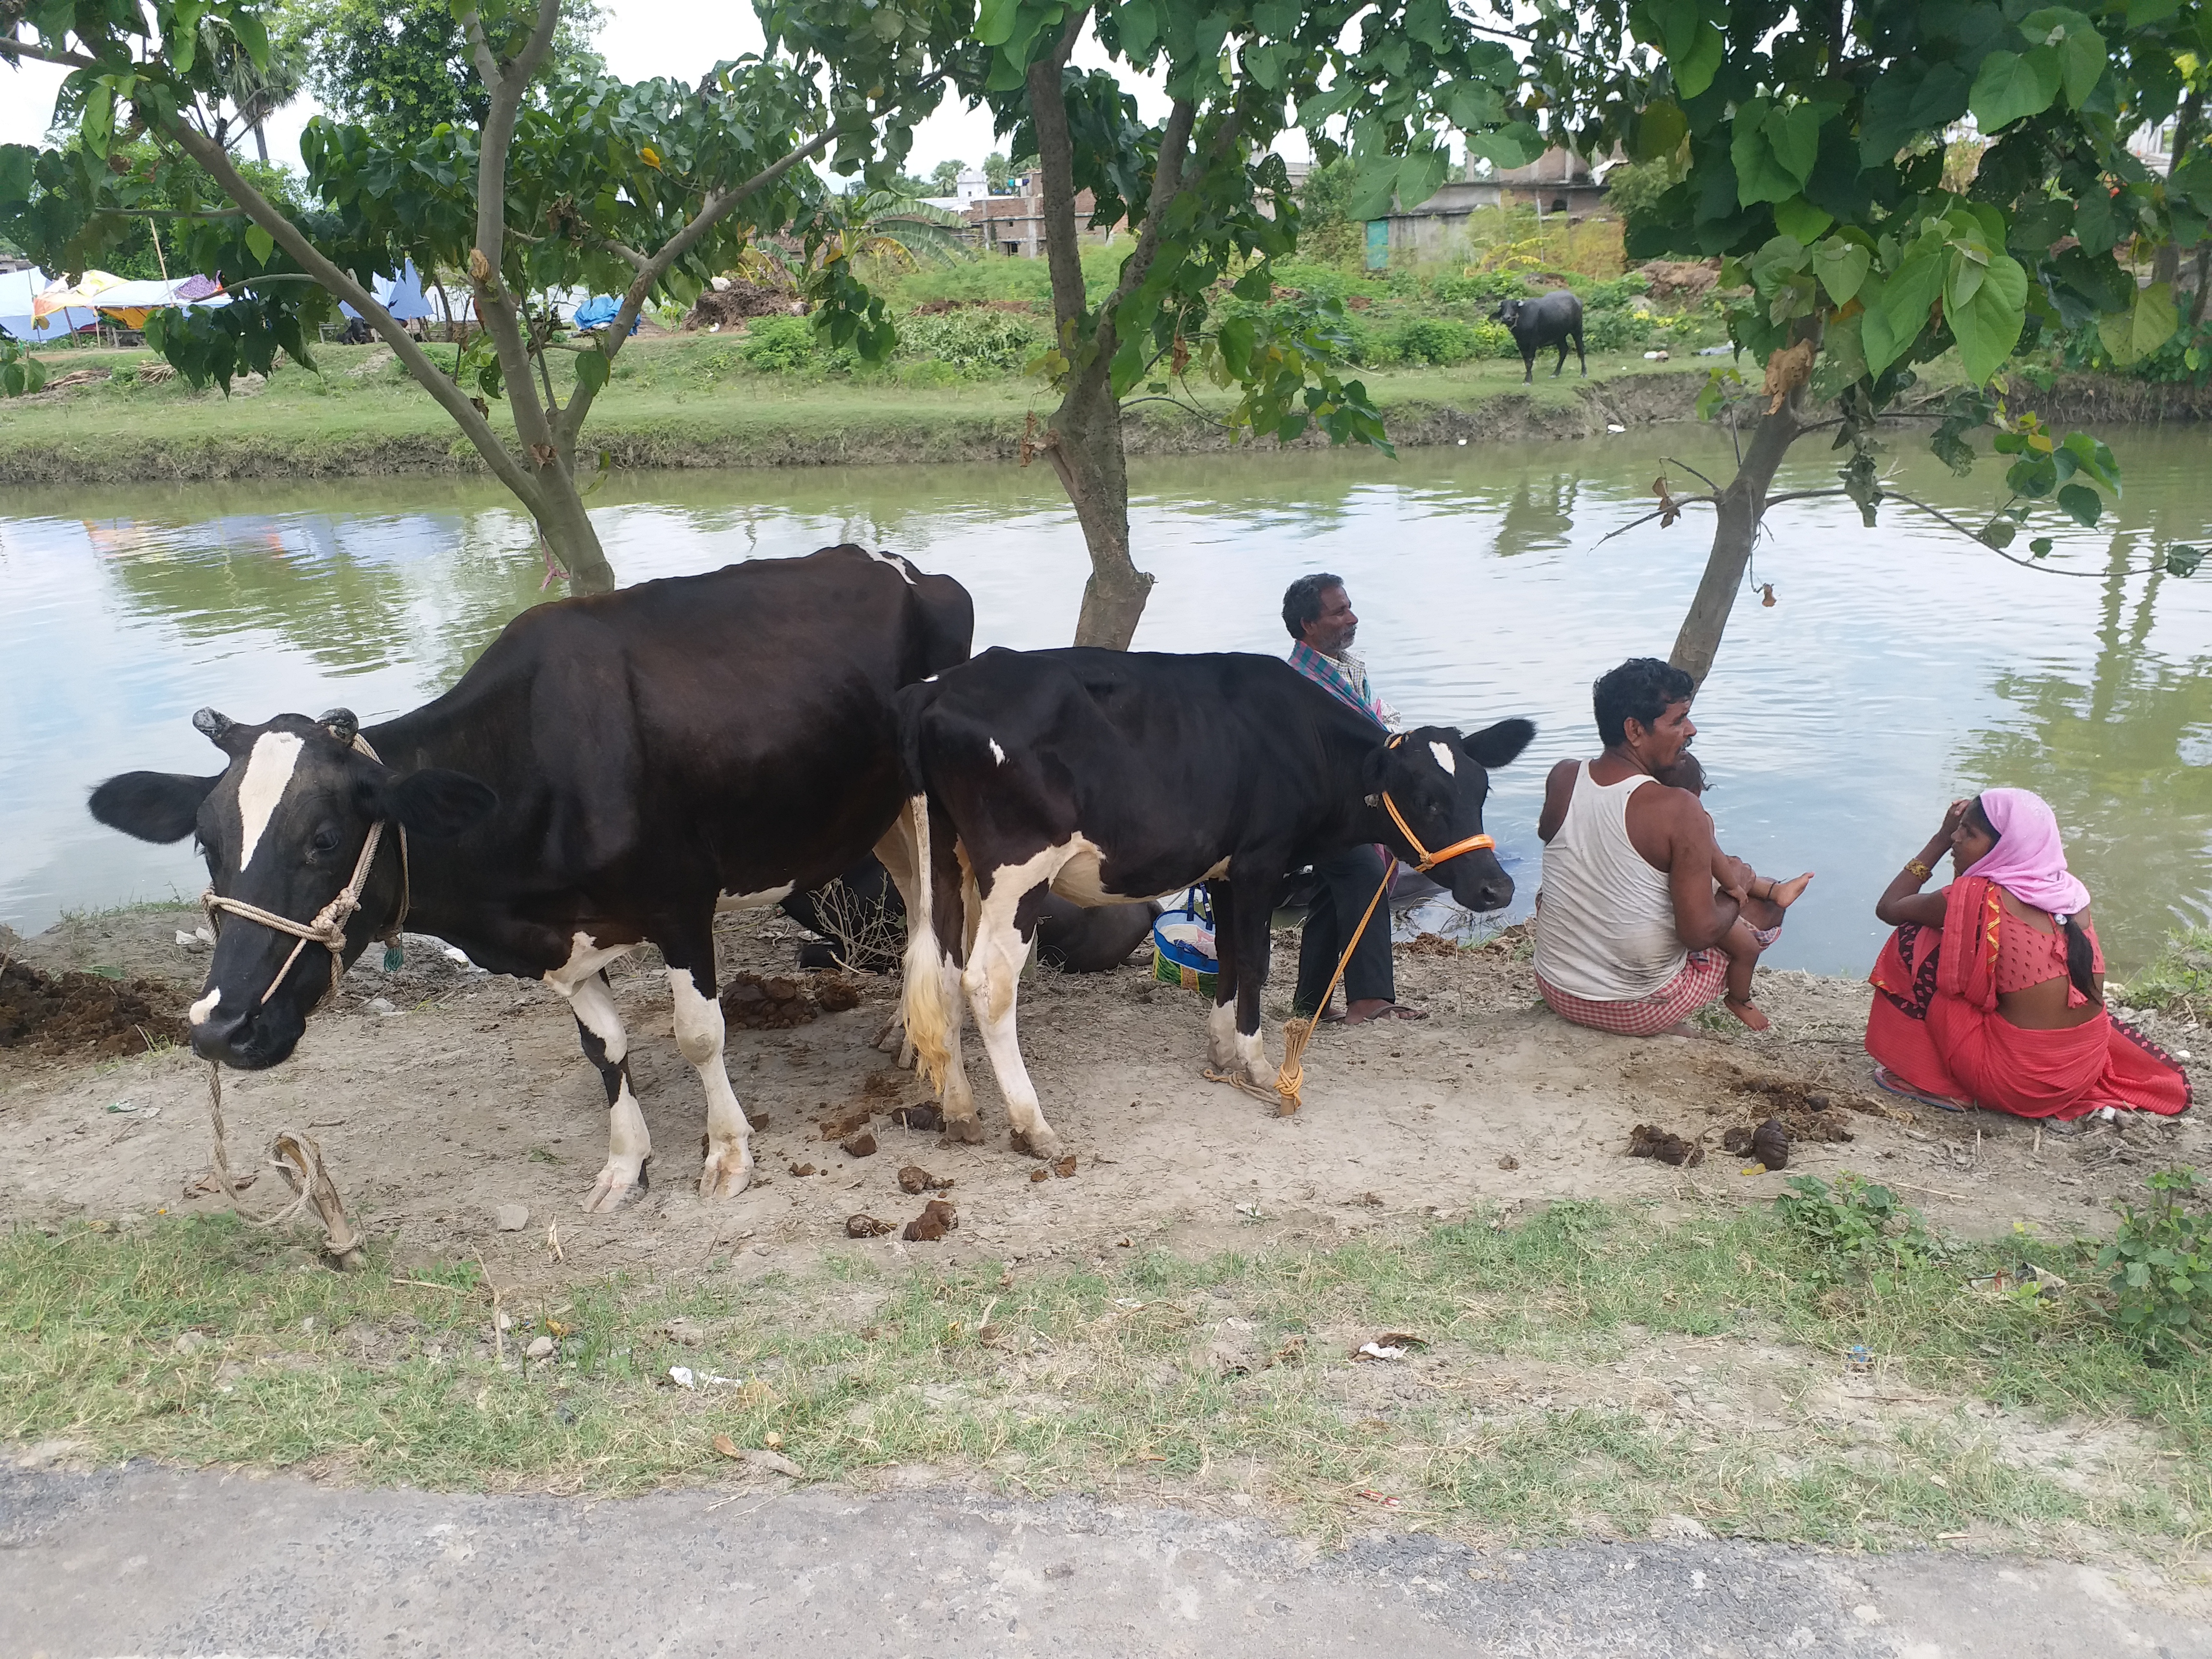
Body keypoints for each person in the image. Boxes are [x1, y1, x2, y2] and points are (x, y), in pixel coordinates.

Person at [1864, 790, 2190, 1121]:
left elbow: (1890, 908)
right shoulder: (2069, 893)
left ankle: (1939, 1084)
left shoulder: (1978, 900)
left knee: (1913, 937)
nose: (1956, 839)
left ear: (2005, 848)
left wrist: (1937, 841)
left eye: (1969, 833)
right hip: (2077, 1073)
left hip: (2017, 1086)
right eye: (1956, 829)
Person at [1533, 658, 1794, 1036]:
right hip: (1632, 1007)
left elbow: (1553, 838)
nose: (1691, 730)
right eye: (1678, 721)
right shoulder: (1678, 808)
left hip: (1557, 987)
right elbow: (1698, 934)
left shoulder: (1564, 775)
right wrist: (1734, 890)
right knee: (1767, 907)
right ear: (1635, 730)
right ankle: (1667, 1019)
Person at [1280, 572, 1424, 1024]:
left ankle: (1312, 1003)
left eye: (1349, 607)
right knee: (1364, 871)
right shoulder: (1296, 683)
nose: (1352, 618)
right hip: (1317, 809)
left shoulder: (1347, 668)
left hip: (1348, 803)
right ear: (1308, 624)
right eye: (1339, 612)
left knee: (1331, 889)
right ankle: (1370, 1000)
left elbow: (1372, 730)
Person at [1652, 752, 1813, 1030]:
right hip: (1695, 901)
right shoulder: (1696, 819)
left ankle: (1776, 891)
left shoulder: (1643, 817)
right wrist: (1734, 889)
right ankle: (1739, 999)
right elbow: (1718, 864)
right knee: (1747, 950)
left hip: (1683, 895)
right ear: (1696, 791)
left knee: (1739, 872)